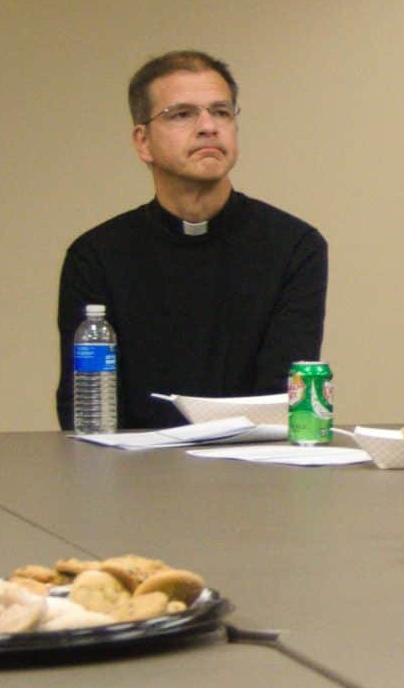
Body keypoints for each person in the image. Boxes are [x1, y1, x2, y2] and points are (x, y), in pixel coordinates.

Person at [55, 51, 328, 431]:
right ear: (143, 141)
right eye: (182, 114)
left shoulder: (294, 246)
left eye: (221, 112)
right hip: (131, 476)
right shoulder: (97, 256)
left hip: (255, 472)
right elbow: (84, 407)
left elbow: (282, 398)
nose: (208, 127)